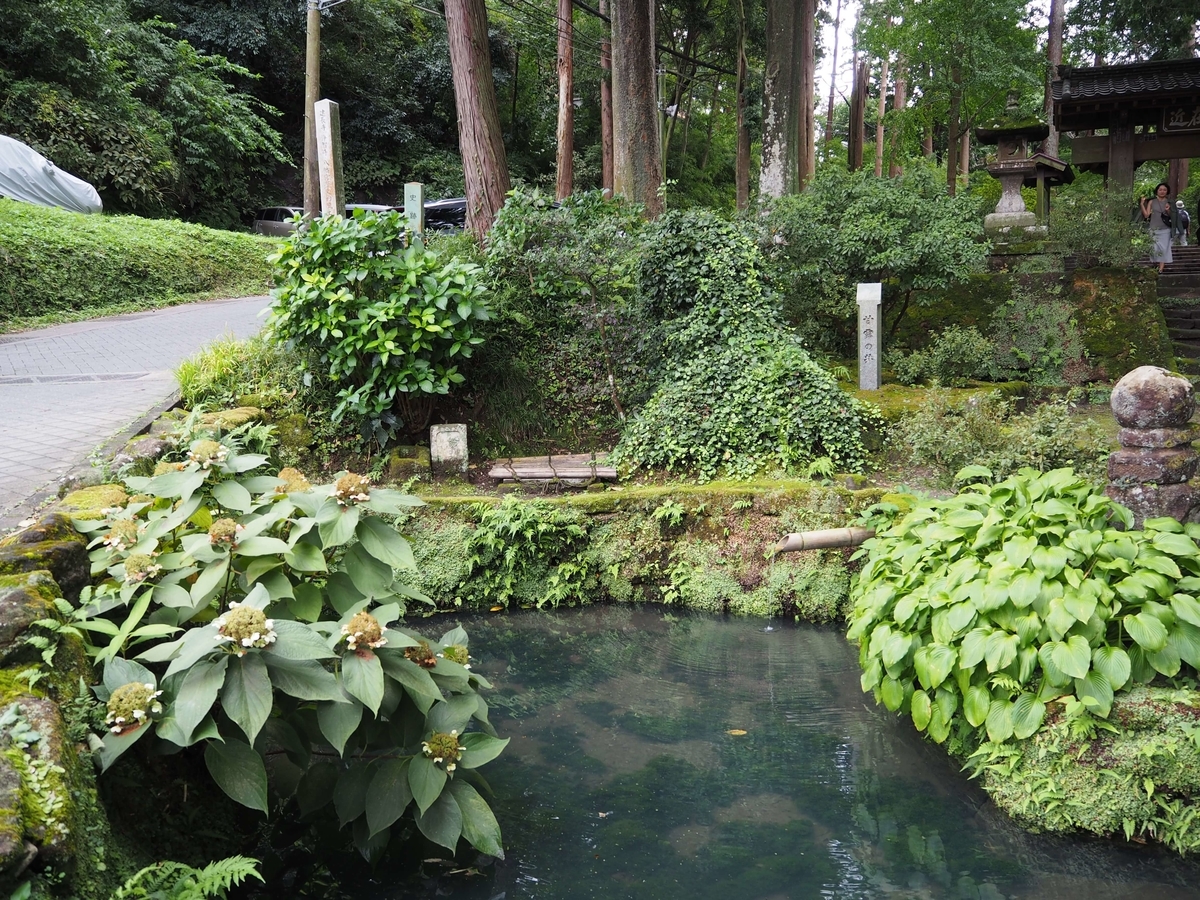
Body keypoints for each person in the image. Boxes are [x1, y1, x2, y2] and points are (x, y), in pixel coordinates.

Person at [1141, 182, 1174, 273]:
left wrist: (1168, 210)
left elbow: (1172, 216)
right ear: (1157, 191)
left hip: (1165, 229)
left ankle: (1161, 269)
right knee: (1154, 248)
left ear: (1167, 192)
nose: (1162, 191)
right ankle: (1155, 264)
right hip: (1153, 228)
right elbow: (1146, 215)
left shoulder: (1169, 202)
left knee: (1164, 249)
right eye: (1160, 190)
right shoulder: (1152, 202)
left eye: (1164, 190)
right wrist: (1142, 204)